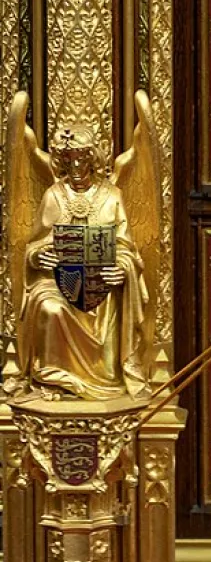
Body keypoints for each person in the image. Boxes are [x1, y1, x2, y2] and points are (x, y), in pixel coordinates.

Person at [13, 125, 149, 400]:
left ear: (92, 159)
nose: (75, 165)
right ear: (62, 160)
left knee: (106, 299)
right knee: (49, 307)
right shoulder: (54, 195)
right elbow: (35, 243)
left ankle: (106, 375)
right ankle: (53, 380)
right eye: (69, 158)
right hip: (57, 282)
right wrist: (39, 256)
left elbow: (126, 247)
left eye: (82, 158)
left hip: (101, 289)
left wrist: (122, 268)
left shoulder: (112, 196)